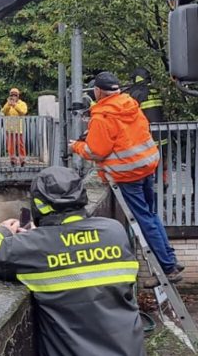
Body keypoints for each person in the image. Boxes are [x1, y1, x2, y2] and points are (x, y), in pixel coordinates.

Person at [0, 166, 144, 356]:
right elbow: (75, 247)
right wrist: (43, 233)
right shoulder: (114, 231)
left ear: (38, 204)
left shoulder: (32, 246)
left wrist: (3, 232)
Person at [70, 71, 183, 286]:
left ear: (97, 91)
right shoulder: (130, 104)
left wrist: (76, 146)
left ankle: (168, 267)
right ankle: (170, 260)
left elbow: (96, 151)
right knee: (150, 214)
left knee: (144, 218)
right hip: (146, 167)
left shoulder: (102, 116)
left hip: (127, 173)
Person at [128, 67, 170, 190]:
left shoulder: (136, 93)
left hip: (146, 136)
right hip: (162, 136)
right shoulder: (157, 90)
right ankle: (162, 184)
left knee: (147, 163)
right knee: (161, 161)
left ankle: (151, 187)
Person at [1, 87, 29, 167]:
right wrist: (8, 104)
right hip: (9, 128)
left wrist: (15, 105)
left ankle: (22, 160)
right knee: (10, 145)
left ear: (18, 96)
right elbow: (4, 112)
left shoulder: (22, 103)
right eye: (12, 95)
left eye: (15, 95)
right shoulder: (7, 103)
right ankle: (13, 160)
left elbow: (23, 112)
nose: (13, 96)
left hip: (18, 128)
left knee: (20, 145)